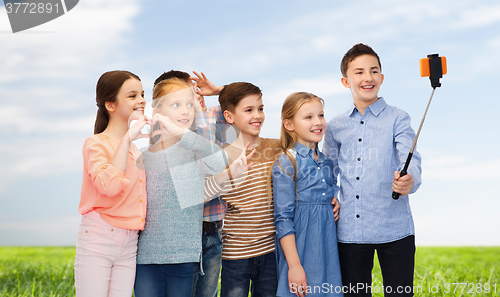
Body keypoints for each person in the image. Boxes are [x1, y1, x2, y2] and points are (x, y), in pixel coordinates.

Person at [323, 43, 422, 297]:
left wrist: (409, 180)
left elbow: (410, 159)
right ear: (346, 81)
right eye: (359, 72)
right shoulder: (335, 126)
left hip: (395, 228)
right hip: (351, 233)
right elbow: (328, 172)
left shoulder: (398, 118)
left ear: (382, 77)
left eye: (373, 71)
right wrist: (330, 197)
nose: (367, 77)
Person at [133, 77, 228, 297]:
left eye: (189, 105)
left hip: (185, 258)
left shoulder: (194, 151)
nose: (185, 111)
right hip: (145, 259)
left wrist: (181, 133)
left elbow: (219, 162)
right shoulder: (142, 157)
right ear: (157, 108)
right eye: (176, 105)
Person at [75, 70, 151, 297]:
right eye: (132, 95)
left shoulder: (136, 150)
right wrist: (127, 138)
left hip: (130, 241)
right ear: (110, 105)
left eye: (142, 94)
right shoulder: (95, 143)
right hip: (99, 237)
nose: (142, 100)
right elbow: (108, 186)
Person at [203, 82, 282, 297]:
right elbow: (202, 193)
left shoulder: (276, 147)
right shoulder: (221, 156)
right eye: (249, 110)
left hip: (271, 252)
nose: (257, 115)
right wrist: (223, 94)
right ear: (229, 117)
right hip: (235, 255)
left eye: (261, 108)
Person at [272, 92, 343, 297]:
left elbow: (326, 193)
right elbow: (283, 219)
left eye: (320, 115)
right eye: (308, 117)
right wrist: (294, 266)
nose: (318, 122)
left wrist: (333, 199)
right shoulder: (287, 162)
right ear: (289, 125)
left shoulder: (326, 162)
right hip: (301, 249)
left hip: (327, 247)